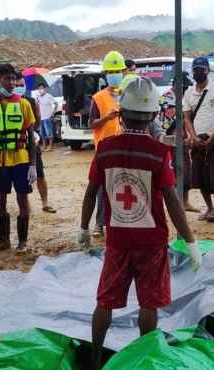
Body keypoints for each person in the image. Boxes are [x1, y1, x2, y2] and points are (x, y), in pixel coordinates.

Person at [77, 77, 201, 370]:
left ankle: (95, 361)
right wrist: (191, 242)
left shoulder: (105, 148)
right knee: (149, 303)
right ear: (154, 116)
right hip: (152, 242)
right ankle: (146, 361)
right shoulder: (159, 154)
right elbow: (172, 201)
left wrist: (83, 228)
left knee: (105, 301)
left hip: (117, 241)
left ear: (120, 114)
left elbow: (91, 192)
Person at [0, 63, 36, 252]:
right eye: (7, 79)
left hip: (21, 160)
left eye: (13, 79)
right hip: (0, 162)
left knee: (22, 200)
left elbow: (31, 137)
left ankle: (22, 241)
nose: (11, 83)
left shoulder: (24, 104)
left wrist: (33, 165)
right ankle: (2, 241)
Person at [183, 56, 214, 222]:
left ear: (207, 70)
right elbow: (187, 117)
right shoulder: (189, 92)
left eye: (201, 69)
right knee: (199, 177)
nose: (198, 72)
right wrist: (193, 137)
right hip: (197, 141)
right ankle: (208, 207)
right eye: (195, 70)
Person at [88, 50, 127, 236]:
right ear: (106, 74)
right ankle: (99, 224)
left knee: (124, 187)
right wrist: (106, 118)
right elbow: (91, 124)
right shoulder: (98, 98)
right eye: (111, 72)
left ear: (123, 72)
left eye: (117, 71)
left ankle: (122, 223)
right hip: (105, 150)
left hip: (126, 149)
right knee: (102, 188)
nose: (114, 75)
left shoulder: (128, 94)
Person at [17, 72, 56, 214]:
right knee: (21, 175)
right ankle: (26, 204)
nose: (19, 87)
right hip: (17, 145)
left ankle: (45, 203)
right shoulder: (8, 102)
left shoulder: (32, 101)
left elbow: (37, 120)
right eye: (17, 85)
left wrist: (31, 130)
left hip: (31, 142)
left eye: (21, 85)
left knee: (40, 173)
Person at [35, 81, 58, 151]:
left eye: (42, 88)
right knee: (42, 133)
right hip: (40, 118)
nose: (40, 90)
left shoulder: (49, 96)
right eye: (39, 88)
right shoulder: (38, 97)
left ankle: (50, 146)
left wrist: (53, 113)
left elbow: (56, 104)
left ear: (45, 88)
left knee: (49, 133)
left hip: (47, 117)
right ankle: (44, 146)